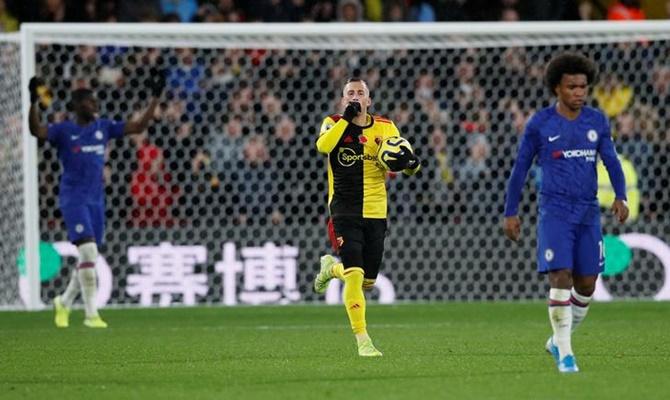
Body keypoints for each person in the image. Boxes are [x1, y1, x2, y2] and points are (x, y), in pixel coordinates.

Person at [503, 53, 629, 373]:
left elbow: (611, 160)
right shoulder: (540, 124)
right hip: (555, 211)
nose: (579, 92)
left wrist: (621, 195)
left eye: (583, 86)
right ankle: (566, 353)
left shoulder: (597, 120)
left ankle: (557, 340)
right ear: (557, 88)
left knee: (586, 284)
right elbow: (520, 168)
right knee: (560, 276)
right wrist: (511, 212)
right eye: (572, 86)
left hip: (588, 212)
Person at [28, 72, 165, 328]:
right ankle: (91, 314)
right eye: (90, 102)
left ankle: (65, 301)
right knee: (88, 251)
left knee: (87, 257)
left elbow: (138, 127)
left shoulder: (103, 127)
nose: (95, 106)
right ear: (77, 106)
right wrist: (33, 102)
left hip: (96, 202)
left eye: (95, 102)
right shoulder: (64, 131)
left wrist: (155, 98)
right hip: (73, 199)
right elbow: (36, 130)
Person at [313, 78, 421, 357]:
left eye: (361, 93)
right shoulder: (333, 122)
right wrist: (346, 119)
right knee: (354, 274)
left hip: (375, 211)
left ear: (369, 100)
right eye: (350, 93)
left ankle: (330, 268)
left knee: (367, 282)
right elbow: (324, 147)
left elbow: (399, 161)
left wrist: (411, 165)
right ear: (343, 99)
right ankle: (363, 341)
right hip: (343, 209)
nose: (356, 96)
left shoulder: (386, 126)